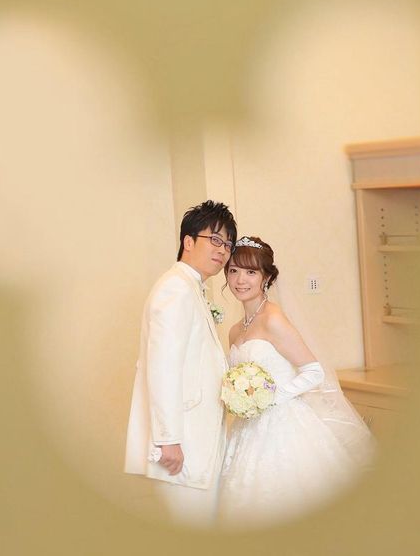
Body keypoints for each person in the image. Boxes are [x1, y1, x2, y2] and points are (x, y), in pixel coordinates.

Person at [219, 236, 374, 526]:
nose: (240, 280)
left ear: (266, 277)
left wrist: (268, 398)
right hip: (246, 428)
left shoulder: (273, 318)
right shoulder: (235, 330)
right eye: (234, 270)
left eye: (251, 272)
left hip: (284, 423)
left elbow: (314, 371)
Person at [124, 200, 237, 527]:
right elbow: (163, 367)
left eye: (227, 244)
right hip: (182, 444)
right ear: (188, 241)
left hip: (196, 437)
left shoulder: (191, 287)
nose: (223, 250)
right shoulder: (175, 289)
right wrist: (168, 439)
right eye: (214, 240)